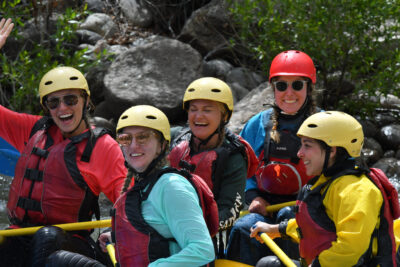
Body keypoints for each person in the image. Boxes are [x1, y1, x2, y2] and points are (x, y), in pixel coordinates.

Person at [0, 18, 127, 266]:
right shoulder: (34, 129)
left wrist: (118, 232)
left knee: (46, 237)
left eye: (70, 99)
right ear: (46, 108)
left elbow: (128, 202)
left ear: (86, 102)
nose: (63, 108)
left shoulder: (100, 146)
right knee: (9, 243)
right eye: (53, 102)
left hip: (69, 246)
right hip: (20, 235)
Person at [251, 111, 398, 267]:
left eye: (307, 146)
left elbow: (350, 249)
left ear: (332, 150)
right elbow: (315, 223)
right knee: (267, 265)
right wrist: (275, 229)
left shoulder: (357, 190)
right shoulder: (328, 181)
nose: (299, 153)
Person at [226, 50, 318, 265]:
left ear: (309, 88)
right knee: (241, 228)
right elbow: (241, 167)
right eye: (281, 85)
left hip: (309, 207)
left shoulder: (322, 125)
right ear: (273, 88)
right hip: (266, 204)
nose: (289, 93)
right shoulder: (257, 124)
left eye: (297, 85)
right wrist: (252, 196)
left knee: (288, 217)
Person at [167, 77, 258, 257]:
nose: (198, 116)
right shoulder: (175, 138)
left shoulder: (233, 155)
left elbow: (230, 212)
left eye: (207, 110)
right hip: (169, 227)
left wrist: (190, 230)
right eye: (193, 109)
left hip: (209, 237)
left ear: (224, 116)